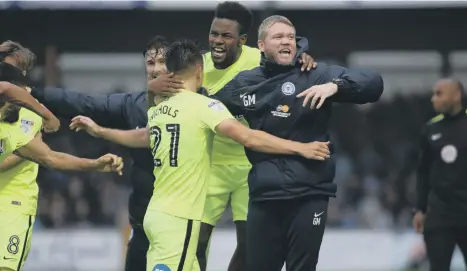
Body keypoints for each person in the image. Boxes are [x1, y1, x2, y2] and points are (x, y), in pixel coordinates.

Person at [70, 39, 329, 271]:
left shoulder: (160, 110)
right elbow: (248, 137)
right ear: (199, 70)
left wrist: (100, 131)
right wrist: (300, 147)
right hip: (178, 220)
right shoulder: (205, 106)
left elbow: (142, 137)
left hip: (157, 214)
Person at [164, 15, 381, 271]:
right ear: (261, 46)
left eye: (290, 37)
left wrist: (335, 86)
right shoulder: (246, 83)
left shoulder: (315, 73)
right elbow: (204, 104)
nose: (287, 41)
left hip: (309, 193)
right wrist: (163, 87)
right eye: (278, 37)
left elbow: (374, 83)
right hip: (263, 196)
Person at [147, 3, 316, 270]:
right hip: (210, 166)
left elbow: (288, 54)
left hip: (249, 165)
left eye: (226, 36)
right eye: (213, 33)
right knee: (196, 241)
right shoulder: (195, 67)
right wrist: (152, 87)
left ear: (243, 40)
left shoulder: (258, 59)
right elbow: (163, 106)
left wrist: (303, 59)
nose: (217, 41)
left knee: (250, 244)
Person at [0, 41, 124, 271]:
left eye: (18, 71)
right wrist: (47, 117)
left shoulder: (27, 116)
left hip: (12, 206)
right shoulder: (27, 106)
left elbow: (50, 158)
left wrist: (94, 165)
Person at [413, 78, 467, 271]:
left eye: (439, 94)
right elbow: (423, 172)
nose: (433, 99)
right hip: (440, 215)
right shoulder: (430, 128)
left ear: (456, 95)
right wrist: (420, 209)